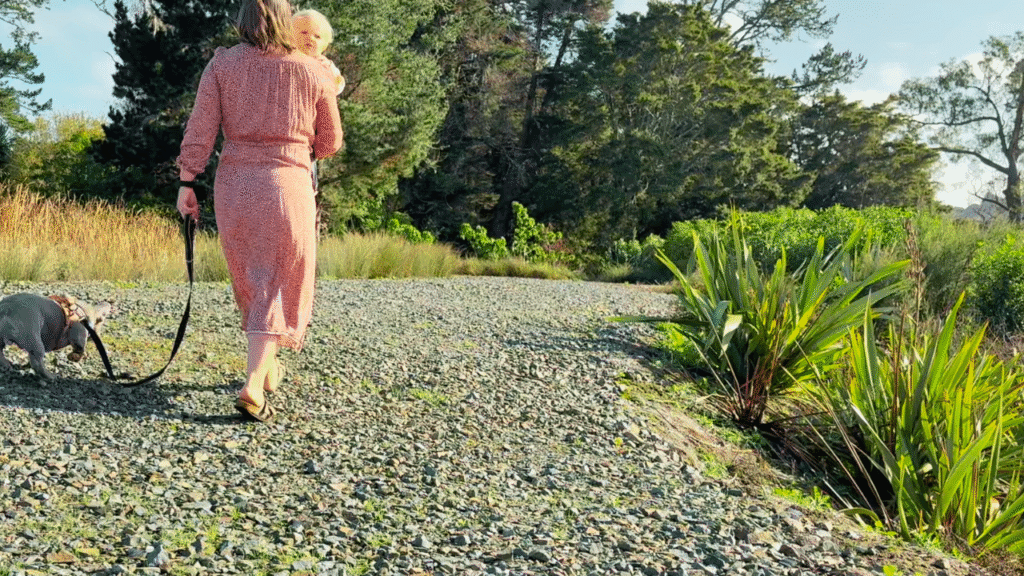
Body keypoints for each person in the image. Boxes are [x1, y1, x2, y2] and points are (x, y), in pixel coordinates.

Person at [176, 0, 343, 422]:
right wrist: (303, 148)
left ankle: (266, 367)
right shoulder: (312, 69)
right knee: (281, 276)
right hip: (288, 183)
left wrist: (187, 180)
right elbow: (331, 141)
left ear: (242, 20)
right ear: (286, 21)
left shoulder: (222, 64)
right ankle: (253, 382)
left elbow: (200, 127)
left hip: (234, 184)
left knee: (253, 275)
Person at [292, 9, 344, 95]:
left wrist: (336, 82)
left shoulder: (325, 65)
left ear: (325, 45)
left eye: (317, 36)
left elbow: (338, 86)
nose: (310, 38)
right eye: (304, 32)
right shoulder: (285, 59)